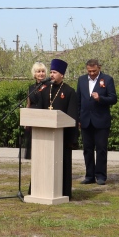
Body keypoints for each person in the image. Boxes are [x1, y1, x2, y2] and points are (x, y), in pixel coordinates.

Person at [29, 59, 79, 197]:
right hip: (45, 138)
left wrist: (72, 139)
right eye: (50, 72)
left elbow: (72, 116)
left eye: (54, 72)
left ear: (62, 74)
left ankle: (62, 192)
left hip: (62, 138)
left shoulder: (69, 91)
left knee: (62, 166)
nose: (51, 75)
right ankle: (40, 189)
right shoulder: (45, 91)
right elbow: (38, 111)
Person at [76, 59, 117, 185]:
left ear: (99, 68)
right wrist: (78, 119)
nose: (92, 73)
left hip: (101, 120)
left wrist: (100, 98)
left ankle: (100, 176)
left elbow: (113, 98)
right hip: (85, 120)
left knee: (101, 149)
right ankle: (89, 175)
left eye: (94, 71)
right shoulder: (82, 80)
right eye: (89, 71)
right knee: (87, 149)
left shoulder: (107, 79)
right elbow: (78, 101)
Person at [23, 62, 49, 161]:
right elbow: (28, 104)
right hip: (33, 119)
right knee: (33, 148)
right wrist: (26, 121)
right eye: (38, 71)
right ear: (34, 74)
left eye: (43, 71)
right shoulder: (31, 88)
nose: (41, 74)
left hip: (45, 118)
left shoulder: (50, 86)